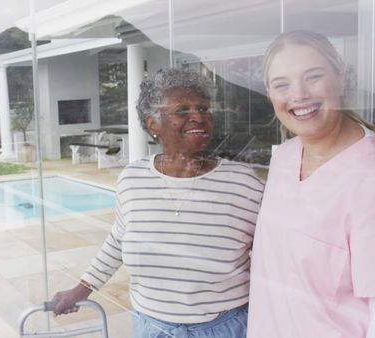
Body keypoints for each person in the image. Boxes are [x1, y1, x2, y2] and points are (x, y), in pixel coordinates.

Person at [51, 68, 264, 338]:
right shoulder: (132, 178)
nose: (198, 116)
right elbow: (118, 239)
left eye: (203, 108)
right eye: (183, 110)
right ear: (153, 124)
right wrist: (82, 289)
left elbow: (276, 254)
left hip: (224, 327)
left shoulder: (242, 183)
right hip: (152, 328)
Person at [247, 30, 375, 338]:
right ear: (269, 94)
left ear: (340, 77)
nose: (299, 94)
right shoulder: (284, 159)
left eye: (313, 76)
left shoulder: (368, 175)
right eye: (282, 84)